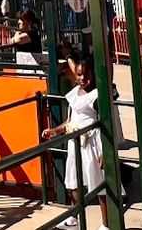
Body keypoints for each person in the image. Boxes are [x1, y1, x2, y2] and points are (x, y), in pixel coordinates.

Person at [42, 59, 108, 230]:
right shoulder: (74, 94)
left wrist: (104, 151)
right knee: (73, 180)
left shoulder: (96, 95)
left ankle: (106, 223)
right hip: (75, 141)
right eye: (79, 75)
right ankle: (75, 215)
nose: (83, 78)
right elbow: (70, 120)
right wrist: (56, 130)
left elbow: (105, 122)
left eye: (86, 75)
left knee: (98, 182)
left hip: (93, 142)